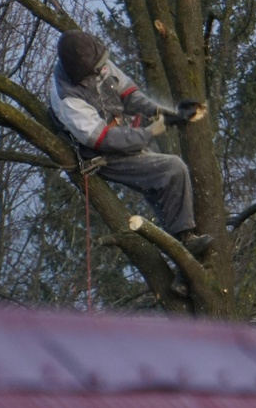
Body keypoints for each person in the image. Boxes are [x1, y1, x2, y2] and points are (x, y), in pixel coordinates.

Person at [49, 30, 212, 257]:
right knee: (173, 169)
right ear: (79, 71)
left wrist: (157, 110)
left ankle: (184, 266)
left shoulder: (97, 61)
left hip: (122, 134)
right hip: (99, 156)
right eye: (93, 70)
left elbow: (128, 93)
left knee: (164, 188)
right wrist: (148, 133)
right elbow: (102, 139)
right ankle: (185, 239)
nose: (100, 70)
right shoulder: (67, 98)